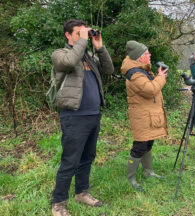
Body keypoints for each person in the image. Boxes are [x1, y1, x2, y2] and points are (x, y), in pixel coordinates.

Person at [51, 19, 114, 216]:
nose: (83, 36)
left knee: (88, 157)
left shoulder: (88, 57)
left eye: (84, 32)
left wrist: (100, 48)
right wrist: (83, 41)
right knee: (70, 161)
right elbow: (70, 62)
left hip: (93, 115)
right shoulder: (60, 54)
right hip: (74, 117)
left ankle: (82, 192)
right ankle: (58, 203)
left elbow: (109, 70)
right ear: (68, 35)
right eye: (79, 33)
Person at [121, 40, 168, 191]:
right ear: (139, 57)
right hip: (141, 116)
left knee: (148, 143)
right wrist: (161, 77)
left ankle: (148, 172)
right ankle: (131, 178)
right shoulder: (134, 73)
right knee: (139, 147)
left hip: (148, 114)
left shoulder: (142, 69)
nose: (149, 55)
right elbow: (149, 90)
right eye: (146, 53)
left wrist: (157, 76)